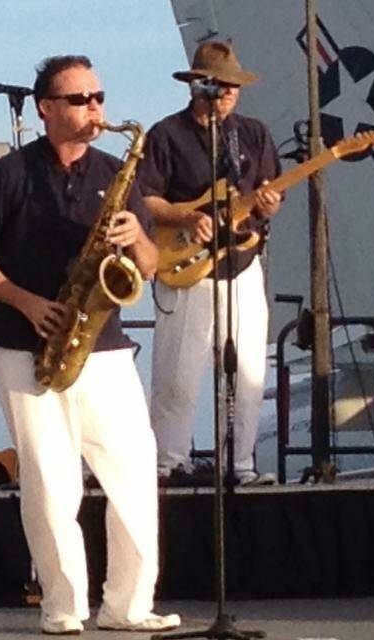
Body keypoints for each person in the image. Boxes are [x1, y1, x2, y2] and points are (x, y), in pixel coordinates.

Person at [0, 55, 179, 635]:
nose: (94, 109)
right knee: (50, 479)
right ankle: (64, 606)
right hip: (25, 342)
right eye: (79, 100)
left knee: (131, 472)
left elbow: (152, 268)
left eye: (98, 97)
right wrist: (28, 303)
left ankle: (128, 605)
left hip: (103, 344)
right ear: (46, 109)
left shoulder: (119, 171)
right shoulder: (8, 174)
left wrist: (136, 241)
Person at [137, 41, 282, 485]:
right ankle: (169, 463)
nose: (229, 95)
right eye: (221, 87)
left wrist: (270, 203)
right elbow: (145, 198)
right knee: (177, 375)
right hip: (187, 267)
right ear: (199, 87)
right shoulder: (166, 135)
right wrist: (186, 215)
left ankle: (240, 463)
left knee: (250, 370)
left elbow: (266, 191)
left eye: (234, 87)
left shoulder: (252, 134)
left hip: (241, 262)